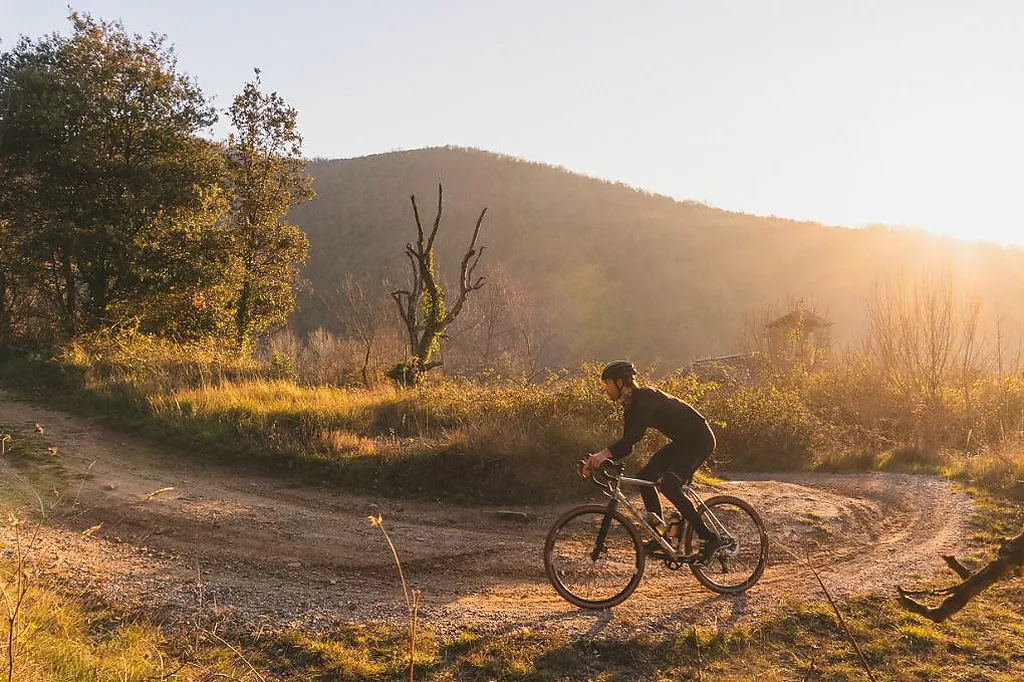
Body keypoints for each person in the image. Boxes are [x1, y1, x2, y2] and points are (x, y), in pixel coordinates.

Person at [583, 360, 723, 564]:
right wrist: (603, 461)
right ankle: (660, 536)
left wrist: (603, 454)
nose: (605, 389)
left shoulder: (646, 396)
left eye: (607, 384)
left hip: (699, 439)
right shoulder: (630, 407)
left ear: (620, 382)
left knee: (669, 485)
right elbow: (628, 445)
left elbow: (637, 434)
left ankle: (709, 538)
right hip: (683, 442)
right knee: (645, 476)